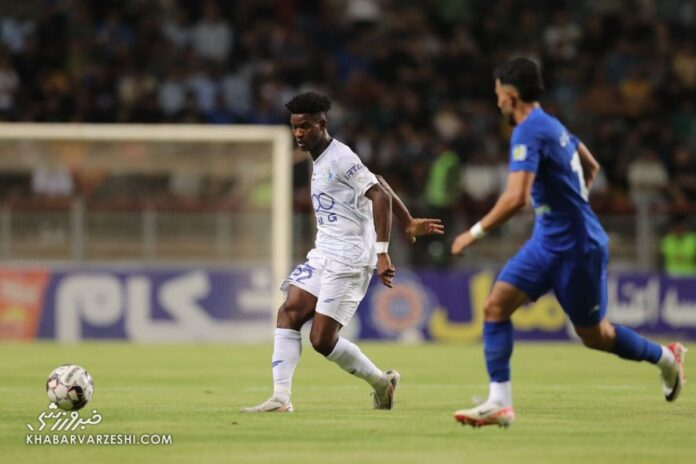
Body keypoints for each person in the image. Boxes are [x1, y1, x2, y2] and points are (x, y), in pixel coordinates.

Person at [450, 58, 687, 428]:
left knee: (596, 336)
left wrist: (474, 232)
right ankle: (499, 402)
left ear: (511, 97)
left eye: (498, 95)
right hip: (547, 241)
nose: (497, 103)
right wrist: (572, 203)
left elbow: (516, 197)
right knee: (495, 306)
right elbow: (591, 166)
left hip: (578, 248)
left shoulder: (529, 131)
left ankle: (666, 357)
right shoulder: (554, 125)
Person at [241, 92, 444, 413]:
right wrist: (408, 222)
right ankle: (280, 398)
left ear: (322, 124)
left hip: (349, 258)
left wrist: (382, 252)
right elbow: (379, 180)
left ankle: (382, 383)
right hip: (324, 252)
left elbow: (378, 195)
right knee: (289, 311)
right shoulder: (322, 159)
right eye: (295, 127)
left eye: (305, 126)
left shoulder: (340, 158)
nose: (298, 133)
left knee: (321, 341)